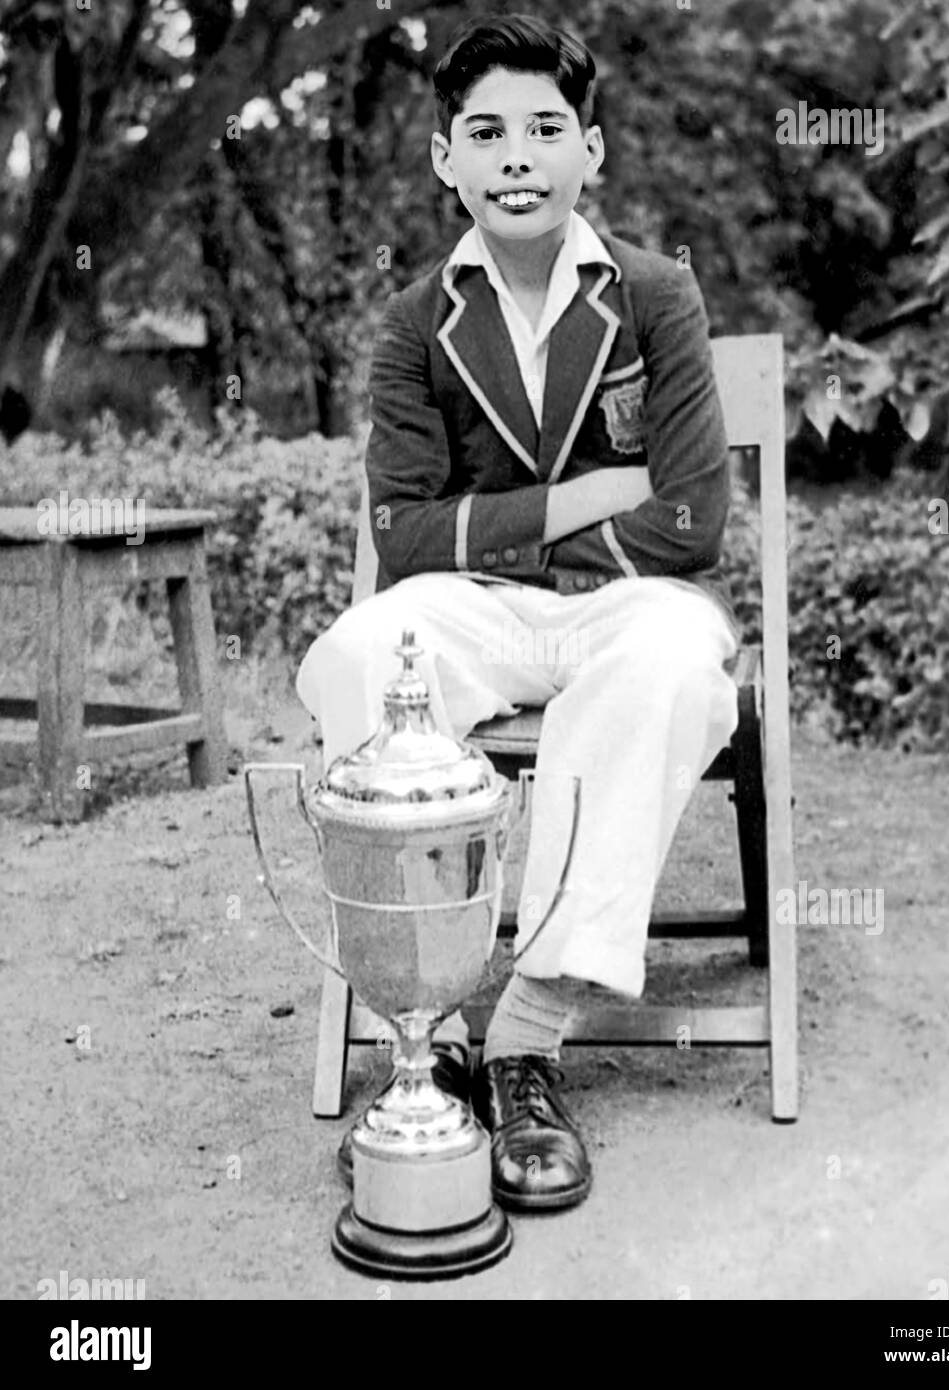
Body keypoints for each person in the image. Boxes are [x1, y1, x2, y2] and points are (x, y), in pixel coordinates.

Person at [296, 12, 739, 1213]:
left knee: (671, 665)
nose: (517, 157)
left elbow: (695, 523)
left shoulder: (656, 297)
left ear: (590, 149)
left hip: (629, 607)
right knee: (354, 654)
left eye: (546, 129)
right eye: (484, 132)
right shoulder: (412, 320)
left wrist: (504, 518)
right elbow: (405, 536)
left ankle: (528, 1038)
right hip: (475, 610)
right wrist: (589, 494)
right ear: (445, 159)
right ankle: (419, 1035)